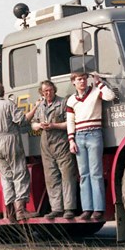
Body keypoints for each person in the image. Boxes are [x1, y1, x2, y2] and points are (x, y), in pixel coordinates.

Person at [66, 72, 116, 221]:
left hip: (94, 133)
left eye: (84, 79)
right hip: (79, 136)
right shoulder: (71, 100)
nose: (82, 81)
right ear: (73, 82)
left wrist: (99, 82)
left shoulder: (95, 92)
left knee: (96, 173)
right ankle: (87, 209)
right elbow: (70, 122)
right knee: (84, 175)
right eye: (78, 79)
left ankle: (98, 209)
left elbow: (110, 96)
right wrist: (71, 140)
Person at [25, 80, 77, 220]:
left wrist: (53, 125)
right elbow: (32, 124)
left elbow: (70, 123)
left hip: (61, 142)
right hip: (45, 143)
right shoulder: (40, 106)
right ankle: (56, 209)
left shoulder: (63, 103)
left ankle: (69, 208)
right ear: (41, 92)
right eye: (45, 91)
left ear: (54, 90)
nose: (48, 93)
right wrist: (39, 125)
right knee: (51, 177)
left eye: (50, 90)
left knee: (67, 175)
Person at [0, 83, 34, 222]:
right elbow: (22, 120)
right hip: (10, 140)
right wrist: (34, 110)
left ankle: (10, 212)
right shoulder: (8, 104)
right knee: (19, 173)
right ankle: (21, 210)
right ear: (3, 92)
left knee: (5, 177)